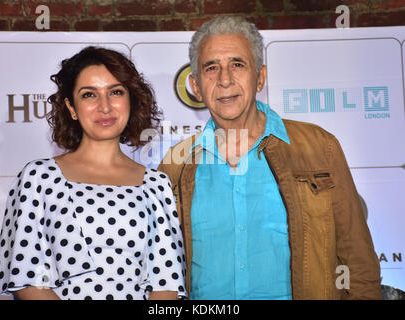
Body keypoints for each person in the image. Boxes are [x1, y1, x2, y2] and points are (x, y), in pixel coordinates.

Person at [158, 16, 381, 300]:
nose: (225, 80)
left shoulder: (319, 148)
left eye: (237, 65)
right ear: (196, 86)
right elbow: (161, 272)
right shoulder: (175, 165)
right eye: (211, 68)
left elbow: (358, 263)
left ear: (260, 77)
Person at [0, 46, 186, 300]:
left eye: (115, 92)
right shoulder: (39, 178)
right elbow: (28, 281)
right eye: (89, 95)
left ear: (130, 100)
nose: (104, 106)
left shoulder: (156, 184)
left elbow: (167, 284)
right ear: (71, 107)